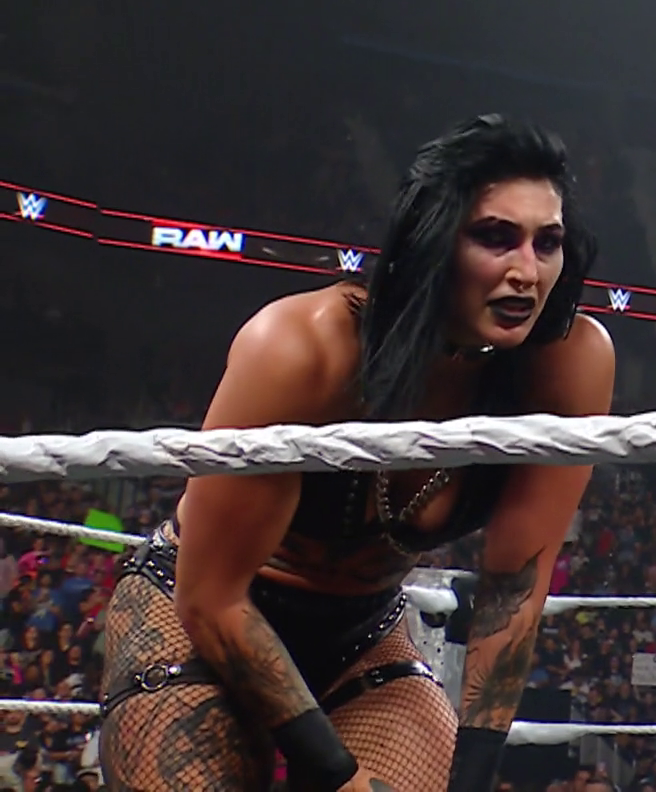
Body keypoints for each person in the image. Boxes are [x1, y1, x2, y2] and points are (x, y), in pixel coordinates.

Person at [98, 116, 616, 792]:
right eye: (495, 237)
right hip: (198, 609)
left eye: (547, 242)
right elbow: (211, 596)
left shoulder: (567, 364)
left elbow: (513, 591)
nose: (527, 271)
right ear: (434, 239)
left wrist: (473, 778)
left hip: (363, 630)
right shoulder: (301, 346)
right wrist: (339, 777)